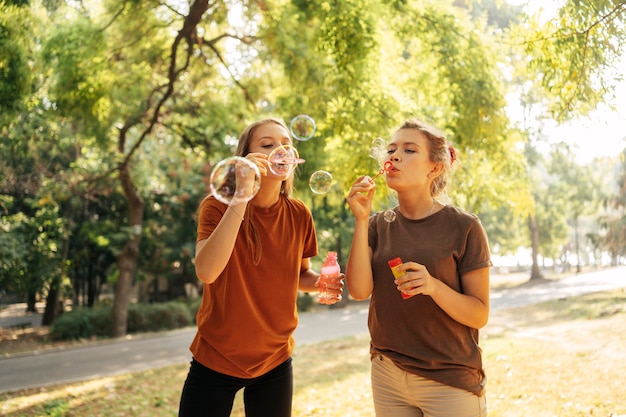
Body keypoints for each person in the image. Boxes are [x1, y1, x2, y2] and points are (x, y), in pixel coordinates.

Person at [178, 117, 343, 417]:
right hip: (217, 356)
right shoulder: (217, 207)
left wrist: (322, 281)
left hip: (275, 360)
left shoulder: (298, 213)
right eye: (267, 145)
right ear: (245, 160)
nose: (280, 150)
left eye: (286, 145)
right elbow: (207, 271)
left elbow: (299, 275)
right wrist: (241, 194)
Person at [345, 118, 491, 417]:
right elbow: (359, 291)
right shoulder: (375, 225)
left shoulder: (464, 226)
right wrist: (361, 219)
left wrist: (433, 286)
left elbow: (479, 314)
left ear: (434, 168)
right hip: (388, 373)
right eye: (391, 149)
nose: (394, 156)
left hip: (449, 379)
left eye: (409, 150)